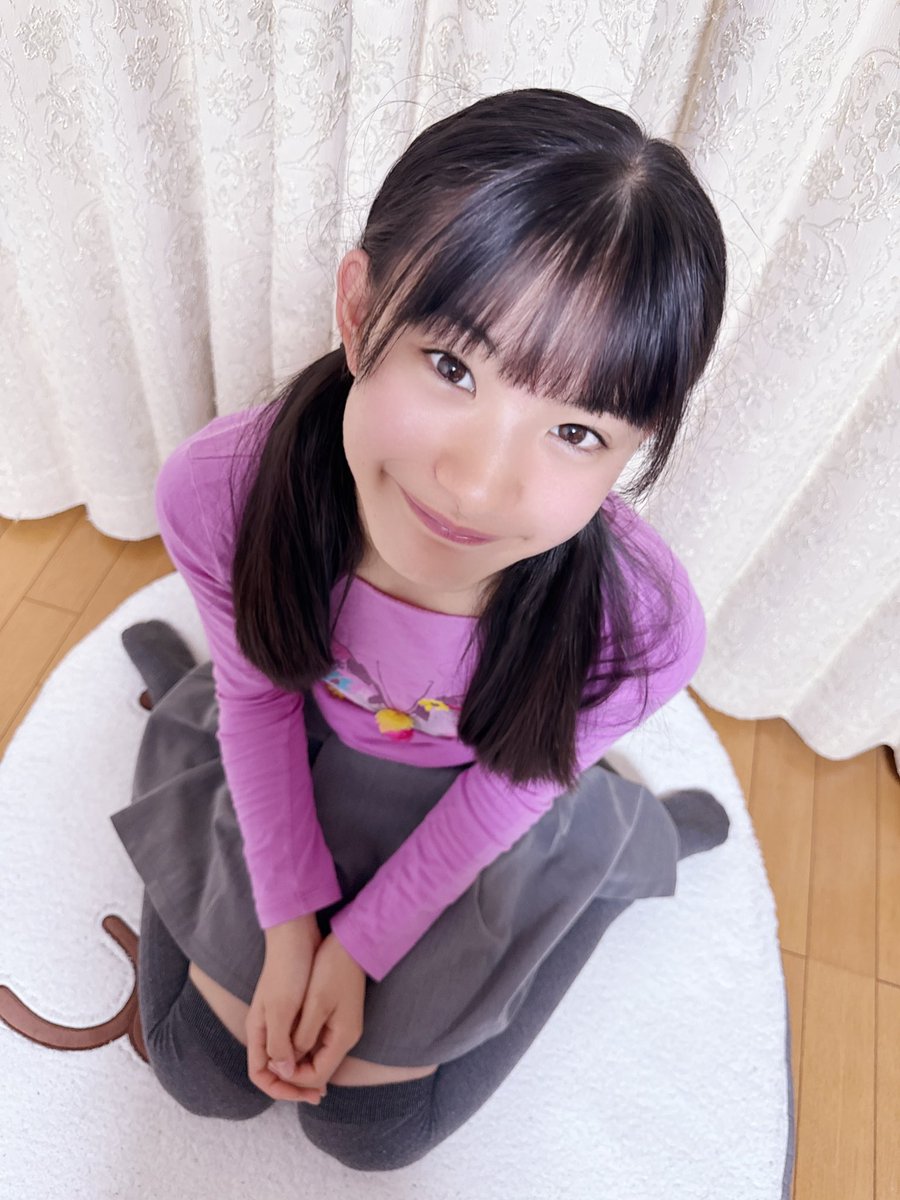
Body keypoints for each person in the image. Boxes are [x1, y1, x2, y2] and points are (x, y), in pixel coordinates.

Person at [111, 86, 731, 1171]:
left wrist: (358, 948)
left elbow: (509, 787)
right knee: (200, 1068)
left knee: (372, 1131)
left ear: (632, 451)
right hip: (294, 733)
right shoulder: (222, 489)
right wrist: (291, 927)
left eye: (576, 430)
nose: (478, 484)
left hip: (479, 792)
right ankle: (182, 693)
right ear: (360, 311)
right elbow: (260, 697)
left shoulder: (640, 625)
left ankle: (624, 843)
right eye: (453, 367)